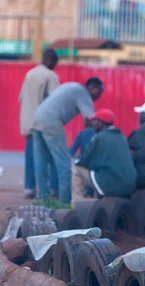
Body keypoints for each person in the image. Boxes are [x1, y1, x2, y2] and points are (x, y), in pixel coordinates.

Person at [31, 77, 104, 205]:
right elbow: (92, 120)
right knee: (64, 163)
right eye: (99, 92)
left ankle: (44, 200)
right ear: (92, 87)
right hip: (51, 121)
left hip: (37, 118)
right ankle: (64, 202)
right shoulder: (83, 93)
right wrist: (105, 136)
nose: (99, 97)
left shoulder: (72, 85)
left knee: (41, 163)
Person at [71, 109, 137, 205]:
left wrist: (76, 161)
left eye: (95, 120)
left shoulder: (100, 137)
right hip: (129, 186)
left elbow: (84, 161)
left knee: (77, 169)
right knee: (98, 172)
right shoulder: (121, 136)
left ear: (101, 123)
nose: (92, 123)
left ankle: (78, 202)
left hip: (112, 185)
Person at [19, 48, 60, 199]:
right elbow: (55, 101)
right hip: (44, 124)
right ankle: (53, 190)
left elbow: (22, 98)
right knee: (53, 157)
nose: (56, 65)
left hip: (29, 123)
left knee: (31, 157)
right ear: (51, 60)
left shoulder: (29, 74)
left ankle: (29, 189)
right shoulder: (50, 76)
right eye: (55, 62)